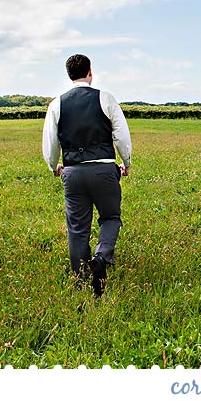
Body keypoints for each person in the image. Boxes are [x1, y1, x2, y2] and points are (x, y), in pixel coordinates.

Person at [42, 54, 132, 297]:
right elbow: (121, 136)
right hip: (104, 169)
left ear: (69, 75)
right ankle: (101, 257)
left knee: (77, 227)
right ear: (90, 72)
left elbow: (50, 142)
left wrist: (54, 166)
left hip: (72, 172)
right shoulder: (106, 98)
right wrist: (126, 162)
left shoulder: (56, 104)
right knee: (111, 217)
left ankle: (81, 276)